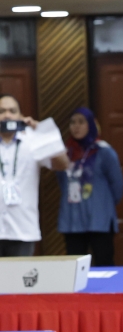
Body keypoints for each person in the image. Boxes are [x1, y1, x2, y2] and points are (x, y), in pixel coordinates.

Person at [0, 94, 69, 256]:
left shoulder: (34, 139)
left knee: (18, 280)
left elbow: (63, 164)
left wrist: (43, 133)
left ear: (21, 116)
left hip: (22, 228)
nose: (7, 115)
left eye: (12, 111)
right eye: (2, 111)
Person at [56, 107, 123, 266]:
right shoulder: (65, 154)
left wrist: (102, 204)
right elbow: (62, 183)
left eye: (81, 122)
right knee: (74, 267)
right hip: (73, 220)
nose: (76, 126)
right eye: (73, 122)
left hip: (99, 220)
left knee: (104, 262)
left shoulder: (104, 151)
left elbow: (117, 186)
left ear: (91, 124)